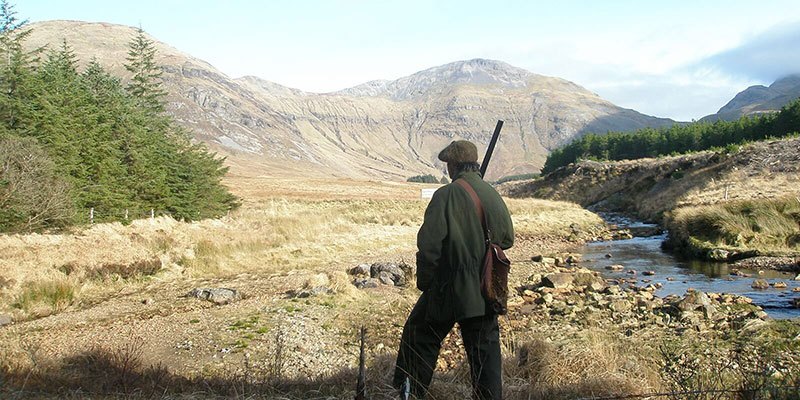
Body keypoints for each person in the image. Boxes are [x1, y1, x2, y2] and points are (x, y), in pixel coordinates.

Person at [393, 140, 514, 400]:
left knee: (420, 335)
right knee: (485, 353)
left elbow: (429, 247)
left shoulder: (445, 195)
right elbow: (507, 239)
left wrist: (426, 284)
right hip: (487, 287)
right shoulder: (492, 193)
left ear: (453, 165)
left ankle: (409, 393)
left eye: (448, 165)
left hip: (449, 287)